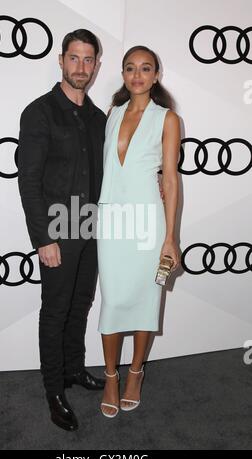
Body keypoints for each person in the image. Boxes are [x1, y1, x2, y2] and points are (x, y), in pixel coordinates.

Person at [17, 29, 107, 432]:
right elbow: (29, 181)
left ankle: (73, 369)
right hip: (57, 230)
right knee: (55, 312)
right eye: (75, 58)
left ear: (96, 65)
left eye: (89, 60)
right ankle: (54, 389)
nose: (82, 67)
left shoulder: (98, 117)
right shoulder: (39, 112)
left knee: (82, 303)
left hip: (90, 229)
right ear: (61, 60)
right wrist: (43, 239)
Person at [97, 46, 181, 418]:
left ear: (156, 75)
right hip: (112, 222)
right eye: (130, 68)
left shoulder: (168, 119)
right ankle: (111, 376)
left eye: (145, 68)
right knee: (113, 303)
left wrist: (170, 237)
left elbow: (172, 178)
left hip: (149, 222)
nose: (137, 75)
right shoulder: (112, 114)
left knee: (147, 301)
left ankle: (135, 372)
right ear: (123, 73)